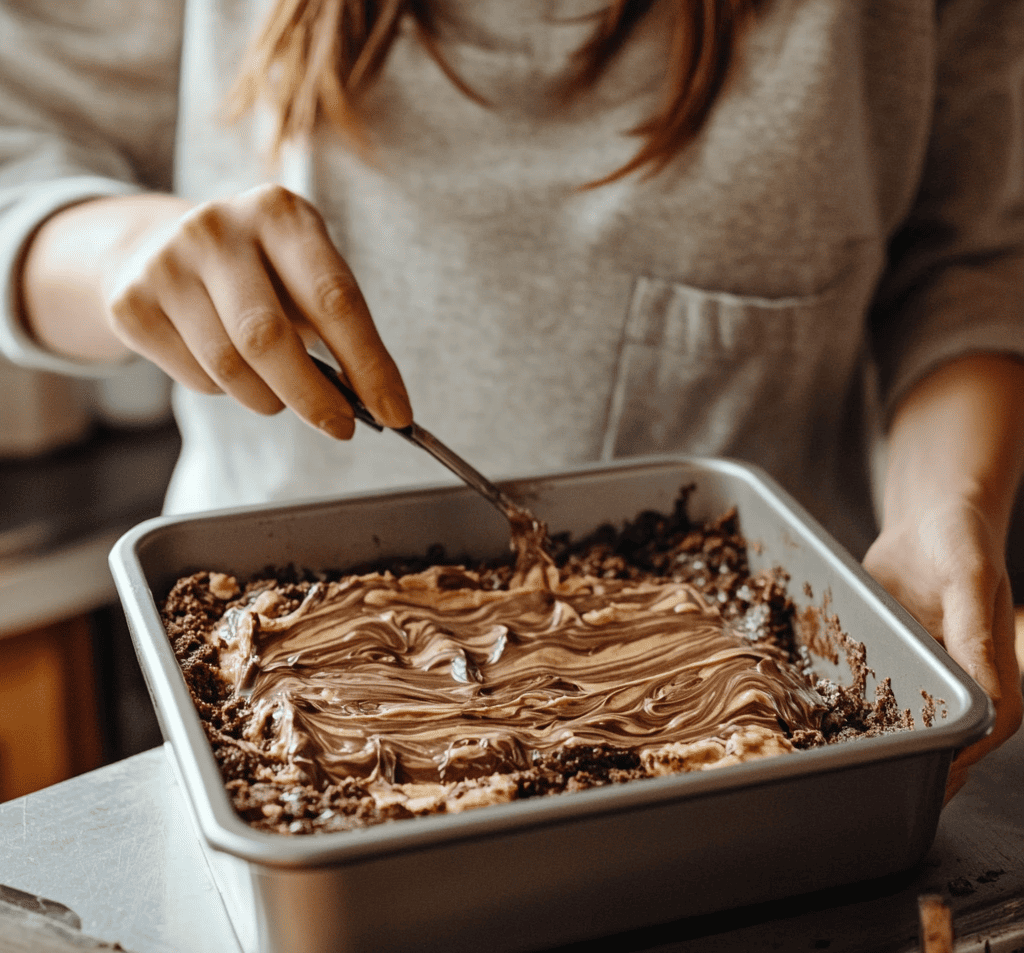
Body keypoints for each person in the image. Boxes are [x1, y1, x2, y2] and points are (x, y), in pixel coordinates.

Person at [1, 0, 1021, 796]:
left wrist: (946, 509)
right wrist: (113, 248)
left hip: (764, 698)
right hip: (278, 675)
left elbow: (968, 260)